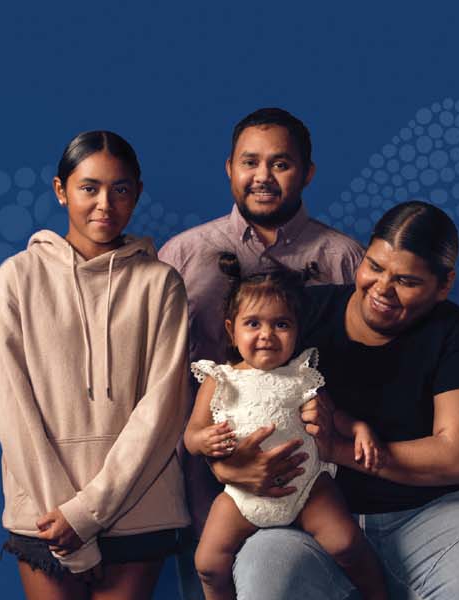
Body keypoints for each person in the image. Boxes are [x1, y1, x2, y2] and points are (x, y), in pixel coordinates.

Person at [212, 201, 459, 599]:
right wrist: (229, 467)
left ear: (443, 286)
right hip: (310, 514)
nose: (383, 290)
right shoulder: (300, 314)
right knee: (264, 572)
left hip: (441, 516)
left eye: (407, 281)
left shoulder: (457, 334)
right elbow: (234, 396)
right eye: (375, 267)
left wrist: (337, 448)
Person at [158, 107, 365, 599]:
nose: (263, 177)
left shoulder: (345, 260)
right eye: (250, 162)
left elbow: (365, 372)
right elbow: (157, 382)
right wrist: (222, 464)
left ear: (307, 172)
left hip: (314, 484)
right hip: (212, 491)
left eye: (281, 163)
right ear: (229, 167)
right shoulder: (182, 258)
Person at [0, 130, 191, 599]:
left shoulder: (161, 284)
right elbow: (12, 408)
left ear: (137, 193)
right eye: (89, 188)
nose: (105, 203)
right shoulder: (15, 280)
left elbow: (163, 410)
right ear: (61, 191)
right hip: (43, 511)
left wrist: (87, 514)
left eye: (120, 189)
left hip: (139, 508)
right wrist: (68, 521)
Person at [183, 253, 388, 600]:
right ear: (232, 330)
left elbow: (332, 415)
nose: (267, 335)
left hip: (307, 486)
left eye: (281, 324)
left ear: (296, 331)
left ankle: (380, 596)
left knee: (347, 544)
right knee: (207, 563)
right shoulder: (220, 380)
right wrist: (205, 440)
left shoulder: (302, 375)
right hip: (242, 495)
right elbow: (190, 436)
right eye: (253, 324)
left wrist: (359, 428)